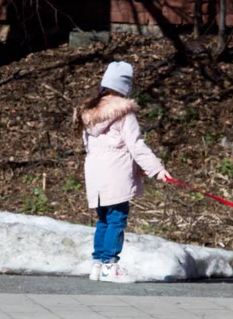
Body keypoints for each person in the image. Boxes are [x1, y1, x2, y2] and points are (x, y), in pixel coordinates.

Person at [73, 61, 171, 284]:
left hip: (95, 174)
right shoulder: (124, 113)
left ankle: (97, 265)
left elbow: (90, 148)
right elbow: (136, 145)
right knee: (117, 219)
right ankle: (110, 265)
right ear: (125, 86)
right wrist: (156, 170)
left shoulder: (88, 113)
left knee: (103, 220)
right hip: (116, 174)